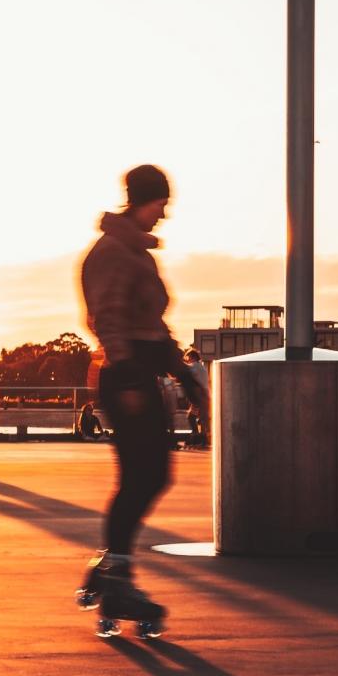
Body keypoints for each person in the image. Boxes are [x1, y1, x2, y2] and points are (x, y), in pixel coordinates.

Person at [76, 165, 206, 636]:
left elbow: (154, 324)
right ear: (140, 200)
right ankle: (118, 577)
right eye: (160, 204)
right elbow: (107, 318)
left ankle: (111, 567)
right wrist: (131, 379)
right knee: (143, 475)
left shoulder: (136, 253)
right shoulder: (113, 253)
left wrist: (184, 375)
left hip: (140, 374)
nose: (164, 214)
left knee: (148, 476)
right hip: (122, 376)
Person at [183, 347, 212, 448]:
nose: (188, 359)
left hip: (200, 396)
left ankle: (197, 437)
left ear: (193, 357)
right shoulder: (202, 367)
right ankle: (202, 439)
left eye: (189, 357)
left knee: (192, 417)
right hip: (205, 395)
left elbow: (185, 369)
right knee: (202, 418)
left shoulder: (195, 366)